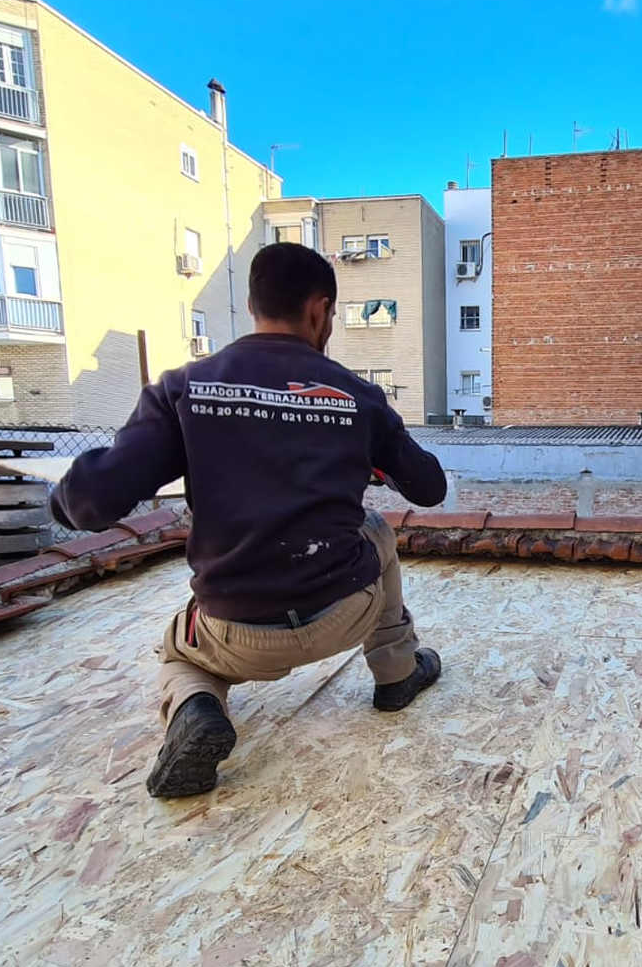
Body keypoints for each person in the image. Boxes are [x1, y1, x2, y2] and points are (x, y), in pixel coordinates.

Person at [51, 242, 447, 798]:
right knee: (375, 530)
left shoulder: (184, 389)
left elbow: (93, 502)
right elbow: (429, 488)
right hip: (343, 613)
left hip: (237, 632)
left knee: (178, 652)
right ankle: (397, 672)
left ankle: (196, 706)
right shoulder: (358, 397)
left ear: (254, 304)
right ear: (320, 310)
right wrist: (371, 451)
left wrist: (58, 500)